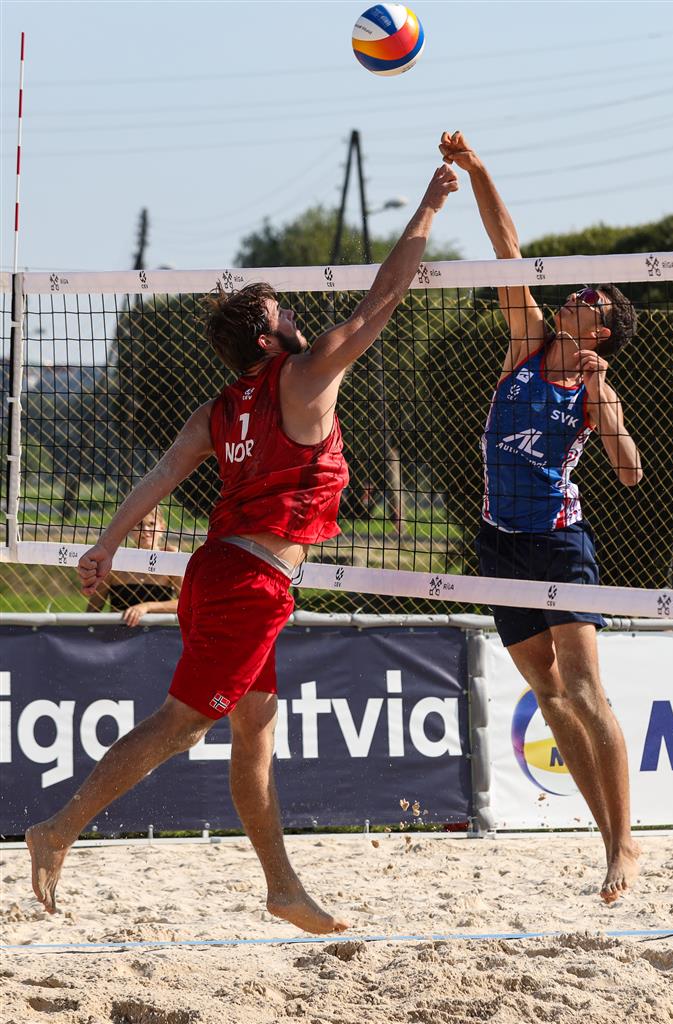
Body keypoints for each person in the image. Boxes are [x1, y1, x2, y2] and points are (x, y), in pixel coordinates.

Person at [26, 161, 459, 932]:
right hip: (249, 582)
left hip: (216, 571)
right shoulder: (308, 371)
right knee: (182, 724)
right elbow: (386, 294)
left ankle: (282, 887)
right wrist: (428, 204)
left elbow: (161, 474)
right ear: (268, 336)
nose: (294, 311)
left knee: (254, 732)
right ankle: (58, 829)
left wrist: (105, 545)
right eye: (281, 309)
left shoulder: (219, 407)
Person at [439, 131, 642, 904]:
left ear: (601, 332)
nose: (576, 296)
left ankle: (625, 844)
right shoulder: (526, 344)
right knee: (550, 698)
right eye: (578, 292)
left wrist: (600, 395)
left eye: (590, 301)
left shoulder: (594, 385)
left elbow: (629, 470)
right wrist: (478, 168)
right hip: (500, 544)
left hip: (560, 544)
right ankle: (603, 834)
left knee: (586, 693)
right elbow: (507, 248)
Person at [86, 508, 180, 626]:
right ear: (130, 529)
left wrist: (147, 607)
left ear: (162, 528)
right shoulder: (116, 559)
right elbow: (93, 609)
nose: (145, 530)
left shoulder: (171, 556)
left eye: (151, 524)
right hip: (119, 633)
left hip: (158, 633)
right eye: (139, 524)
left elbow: (186, 603)